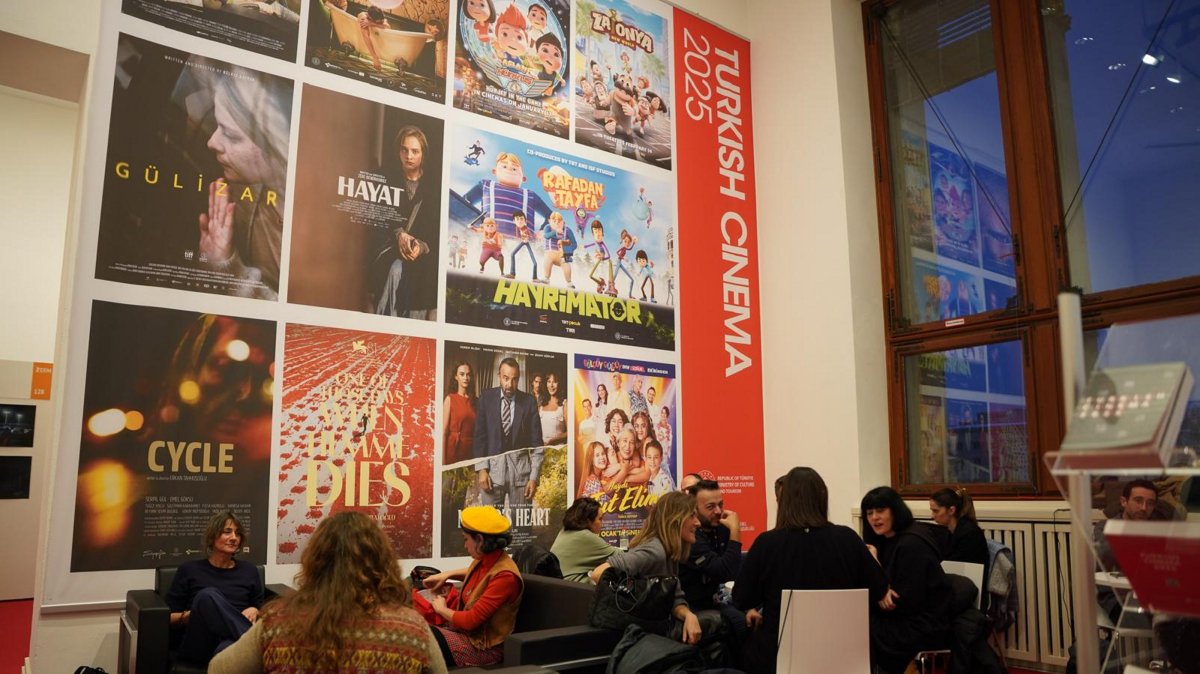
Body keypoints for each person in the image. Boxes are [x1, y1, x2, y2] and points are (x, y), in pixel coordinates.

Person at [209, 512, 448, 674]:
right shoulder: (412, 628)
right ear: (381, 561)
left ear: (316, 560)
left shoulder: (277, 622)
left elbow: (218, 669)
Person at [734, 467, 887, 674]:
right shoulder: (847, 539)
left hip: (782, 656)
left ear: (784, 501)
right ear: (822, 498)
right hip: (845, 654)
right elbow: (879, 590)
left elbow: (742, 598)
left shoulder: (767, 543)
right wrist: (874, 561)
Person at [196, 66, 290, 299]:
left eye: (230, 135)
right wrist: (218, 263)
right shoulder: (238, 195)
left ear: (276, 146)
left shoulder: (321, 231)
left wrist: (232, 273)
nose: (212, 142)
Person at [590, 492, 708, 645]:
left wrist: (689, 616)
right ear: (675, 520)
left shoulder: (668, 552)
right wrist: (637, 598)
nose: (698, 523)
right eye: (692, 516)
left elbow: (674, 598)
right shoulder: (655, 552)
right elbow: (598, 574)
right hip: (634, 637)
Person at [861, 486, 952, 674]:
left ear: (895, 511)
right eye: (869, 513)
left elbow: (896, 603)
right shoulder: (886, 541)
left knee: (861, 630)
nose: (874, 518)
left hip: (921, 625)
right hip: (907, 617)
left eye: (880, 511)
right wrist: (881, 590)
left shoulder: (911, 544)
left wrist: (878, 578)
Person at [423, 506, 523, 668]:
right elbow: (478, 573)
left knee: (422, 636)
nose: (464, 545)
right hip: (468, 636)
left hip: (484, 648)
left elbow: (471, 621)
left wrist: (441, 609)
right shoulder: (487, 558)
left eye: (465, 539)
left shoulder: (506, 577)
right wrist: (447, 575)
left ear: (480, 540)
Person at [165, 511, 264, 665]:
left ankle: (246, 641)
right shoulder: (190, 569)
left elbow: (263, 609)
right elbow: (166, 617)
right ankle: (257, 644)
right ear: (212, 537)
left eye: (237, 534)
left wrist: (255, 609)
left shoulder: (249, 570)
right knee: (207, 596)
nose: (234, 538)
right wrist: (187, 617)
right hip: (199, 643)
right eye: (227, 532)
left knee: (226, 651)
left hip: (231, 643)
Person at [371, 126, 439, 319]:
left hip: (423, 264)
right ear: (398, 152)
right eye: (404, 150)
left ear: (423, 154)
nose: (409, 155)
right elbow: (377, 220)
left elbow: (437, 231)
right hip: (389, 256)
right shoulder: (386, 179)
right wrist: (399, 233)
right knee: (394, 269)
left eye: (415, 151)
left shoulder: (434, 187)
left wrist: (422, 246)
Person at [473, 358, 544, 508]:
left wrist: (533, 477)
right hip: (492, 474)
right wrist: (481, 469)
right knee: (491, 528)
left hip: (521, 477)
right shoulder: (486, 398)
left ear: (519, 379)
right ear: (499, 375)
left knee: (521, 528)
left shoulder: (529, 401)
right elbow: (479, 437)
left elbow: (538, 444)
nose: (509, 384)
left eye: (514, 379)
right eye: (506, 378)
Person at [1095, 479, 1159, 623]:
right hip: (1117, 598)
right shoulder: (1106, 527)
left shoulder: (1157, 529)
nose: (1143, 508)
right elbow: (1106, 555)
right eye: (1138, 500)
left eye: (1150, 503)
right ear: (1124, 502)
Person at [551, 497, 618, 583]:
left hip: (560, 588)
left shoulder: (564, 531)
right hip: (575, 591)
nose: (602, 523)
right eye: (600, 519)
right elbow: (622, 558)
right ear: (588, 521)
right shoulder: (585, 536)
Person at [929, 487, 987, 566]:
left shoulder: (970, 534)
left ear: (951, 510)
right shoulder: (948, 531)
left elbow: (958, 567)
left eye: (936, 511)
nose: (932, 516)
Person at [443, 360, 476, 464]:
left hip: (470, 450)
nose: (466, 378)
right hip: (454, 449)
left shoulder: (476, 401)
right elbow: (443, 433)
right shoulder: (450, 399)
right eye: (462, 374)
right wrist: (442, 462)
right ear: (456, 377)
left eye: (468, 374)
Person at [538, 372, 567, 445]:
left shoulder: (564, 404)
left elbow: (570, 432)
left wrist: (551, 441)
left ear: (559, 384)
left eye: (554, 382)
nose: (551, 385)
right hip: (542, 450)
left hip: (558, 451)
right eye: (549, 382)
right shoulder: (541, 406)